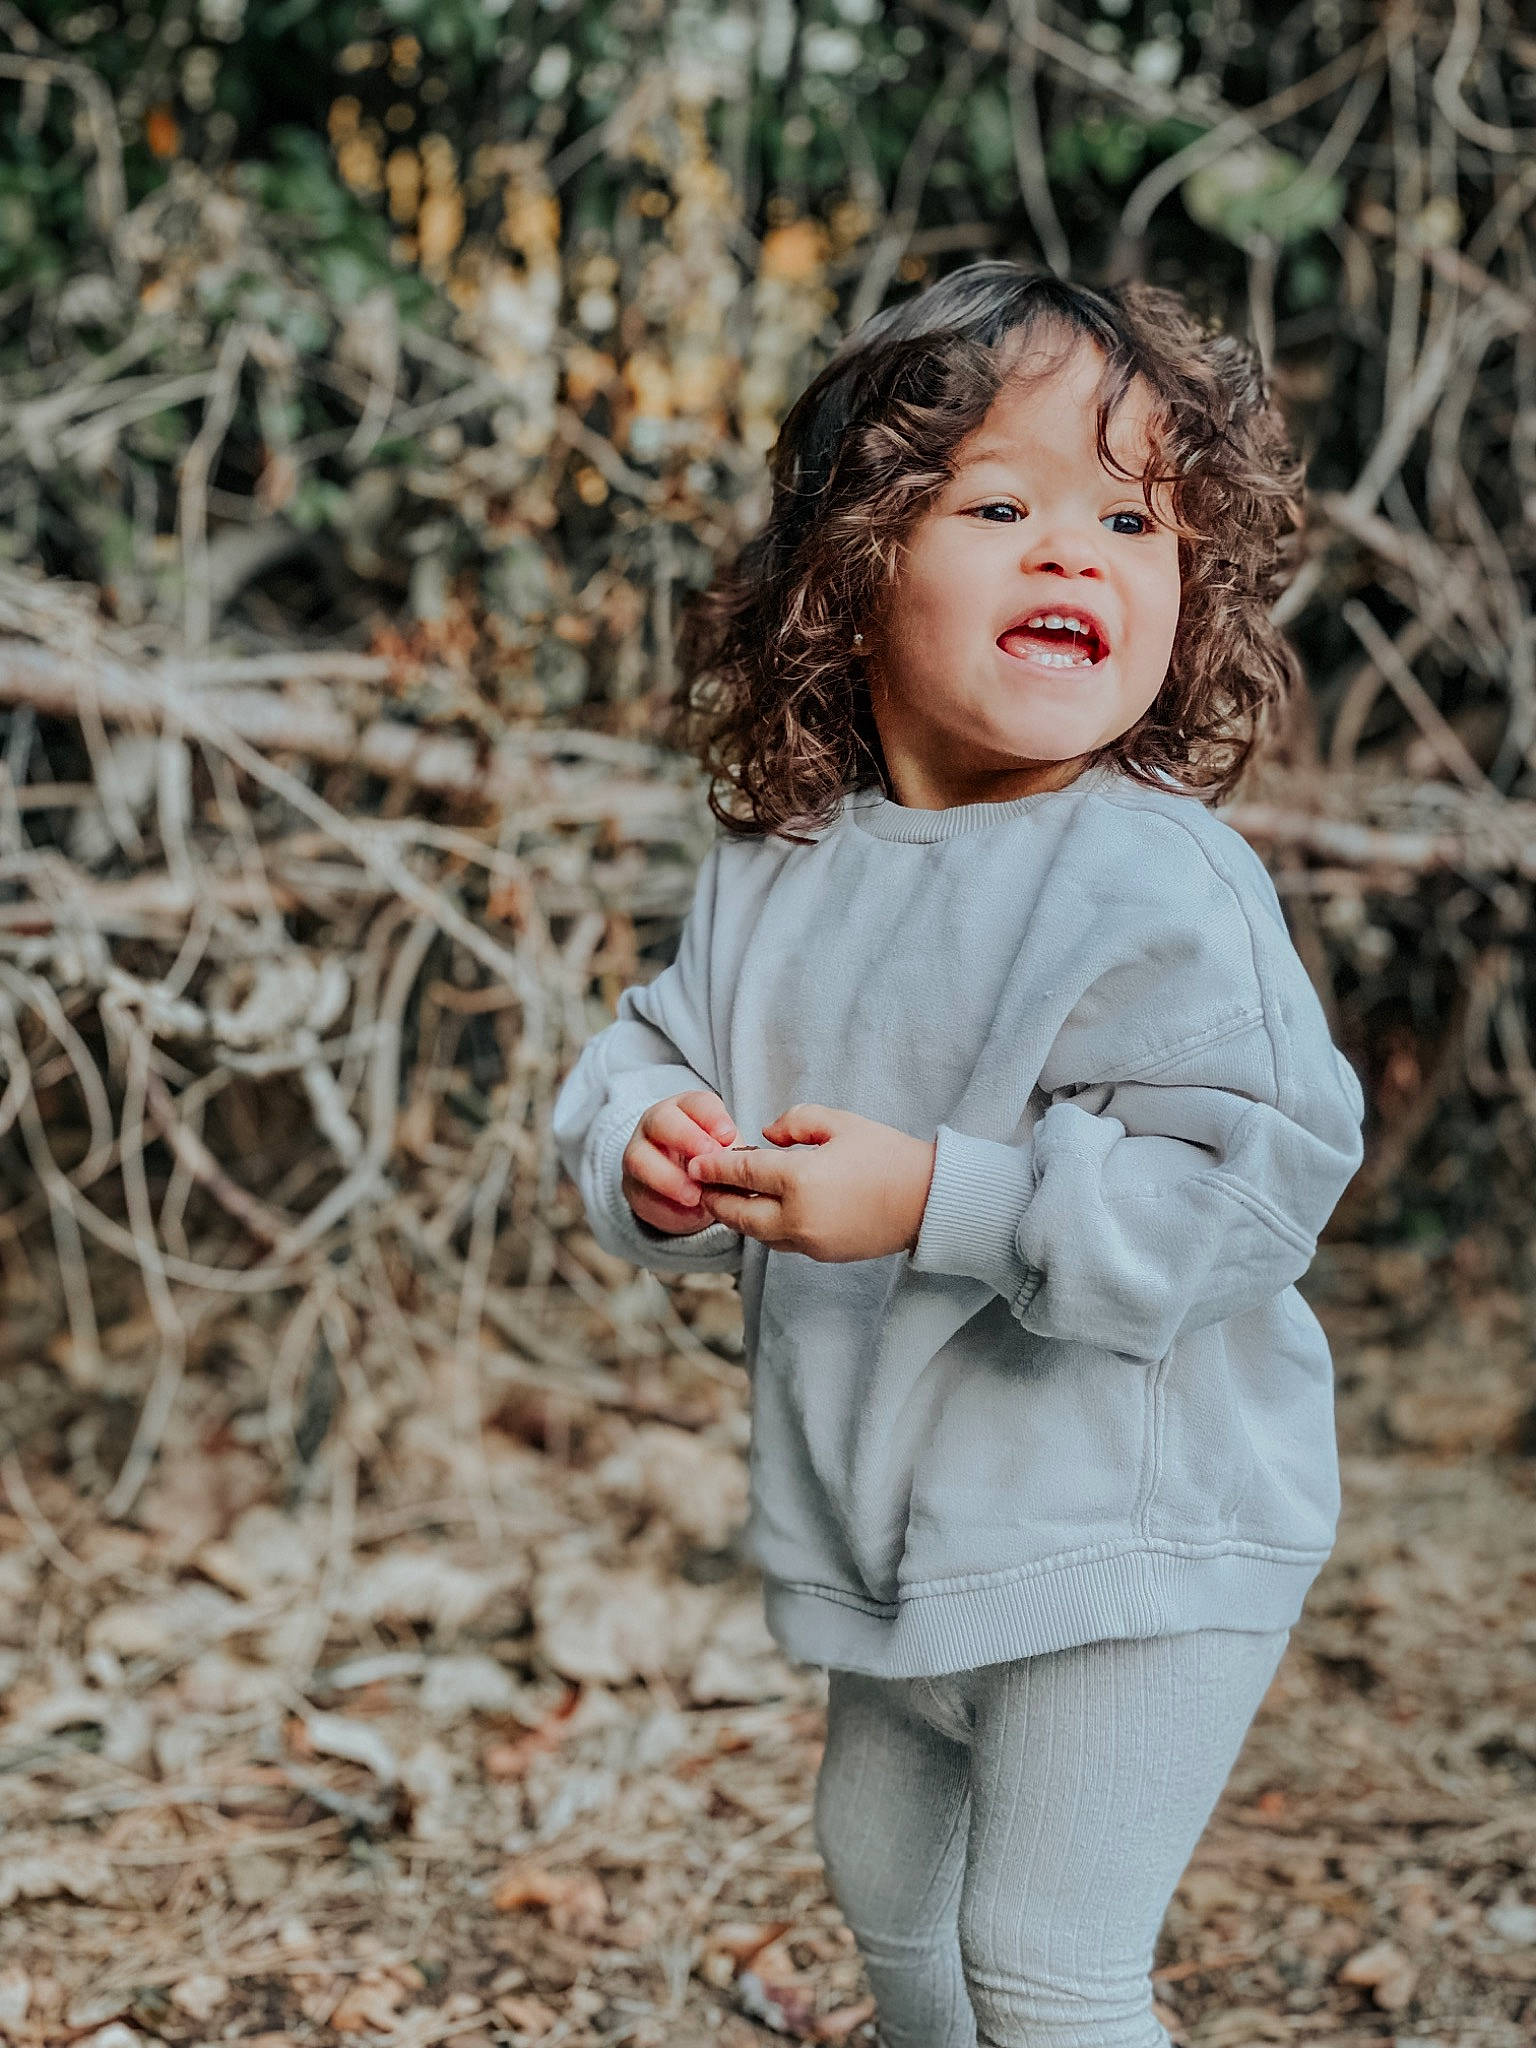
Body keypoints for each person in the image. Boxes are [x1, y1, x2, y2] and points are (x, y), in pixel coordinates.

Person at [551, 264, 1366, 2048]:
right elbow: (652, 1053)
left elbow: (1250, 1190)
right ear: (852, 577)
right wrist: (648, 1144)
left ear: (1187, 589)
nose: (1073, 553)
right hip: (902, 1521)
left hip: (1138, 1528)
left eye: (1129, 519)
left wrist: (942, 1201)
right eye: (1001, 504)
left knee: (1045, 1956)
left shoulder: (1159, 880)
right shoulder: (783, 860)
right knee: (888, 1883)